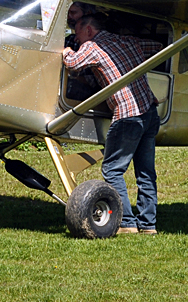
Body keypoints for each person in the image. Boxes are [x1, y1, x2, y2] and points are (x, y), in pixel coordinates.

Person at [62, 12, 164, 234]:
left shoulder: (92, 47)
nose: (75, 37)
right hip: (149, 112)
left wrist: (67, 49)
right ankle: (148, 225)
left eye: (77, 32)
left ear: (89, 30)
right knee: (145, 173)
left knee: (112, 170)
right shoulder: (126, 41)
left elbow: (72, 63)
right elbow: (157, 47)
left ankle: (126, 222)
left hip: (128, 115)